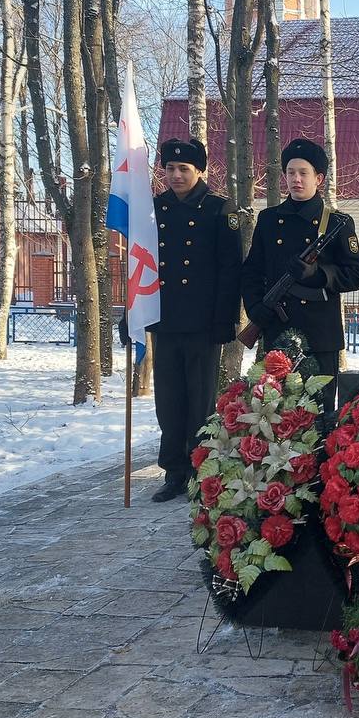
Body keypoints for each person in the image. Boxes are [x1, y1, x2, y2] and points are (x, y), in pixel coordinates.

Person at [241, 138, 359, 420]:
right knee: (276, 415)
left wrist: (319, 274)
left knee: (319, 416)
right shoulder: (269, 220)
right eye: (290, 172)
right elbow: (251, 271)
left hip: (320, 336)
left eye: (303, 173)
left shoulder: (336, 223)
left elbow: (356, 274)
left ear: (318, 178)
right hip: (278, 330)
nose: (296, 179)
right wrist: (256, 308)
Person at [148, 137, 242, 502]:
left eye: (183, 169)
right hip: (165, 319)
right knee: (168, 401)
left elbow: (230, 269)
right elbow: (142, 264)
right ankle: (174, 471)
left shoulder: (218, 209)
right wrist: (134, 313)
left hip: (203, 323)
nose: (175, 175)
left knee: (200, 401)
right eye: (170, 168)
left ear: (199, 171)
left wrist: (225, 319)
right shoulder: (155, 209)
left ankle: (200, 470)